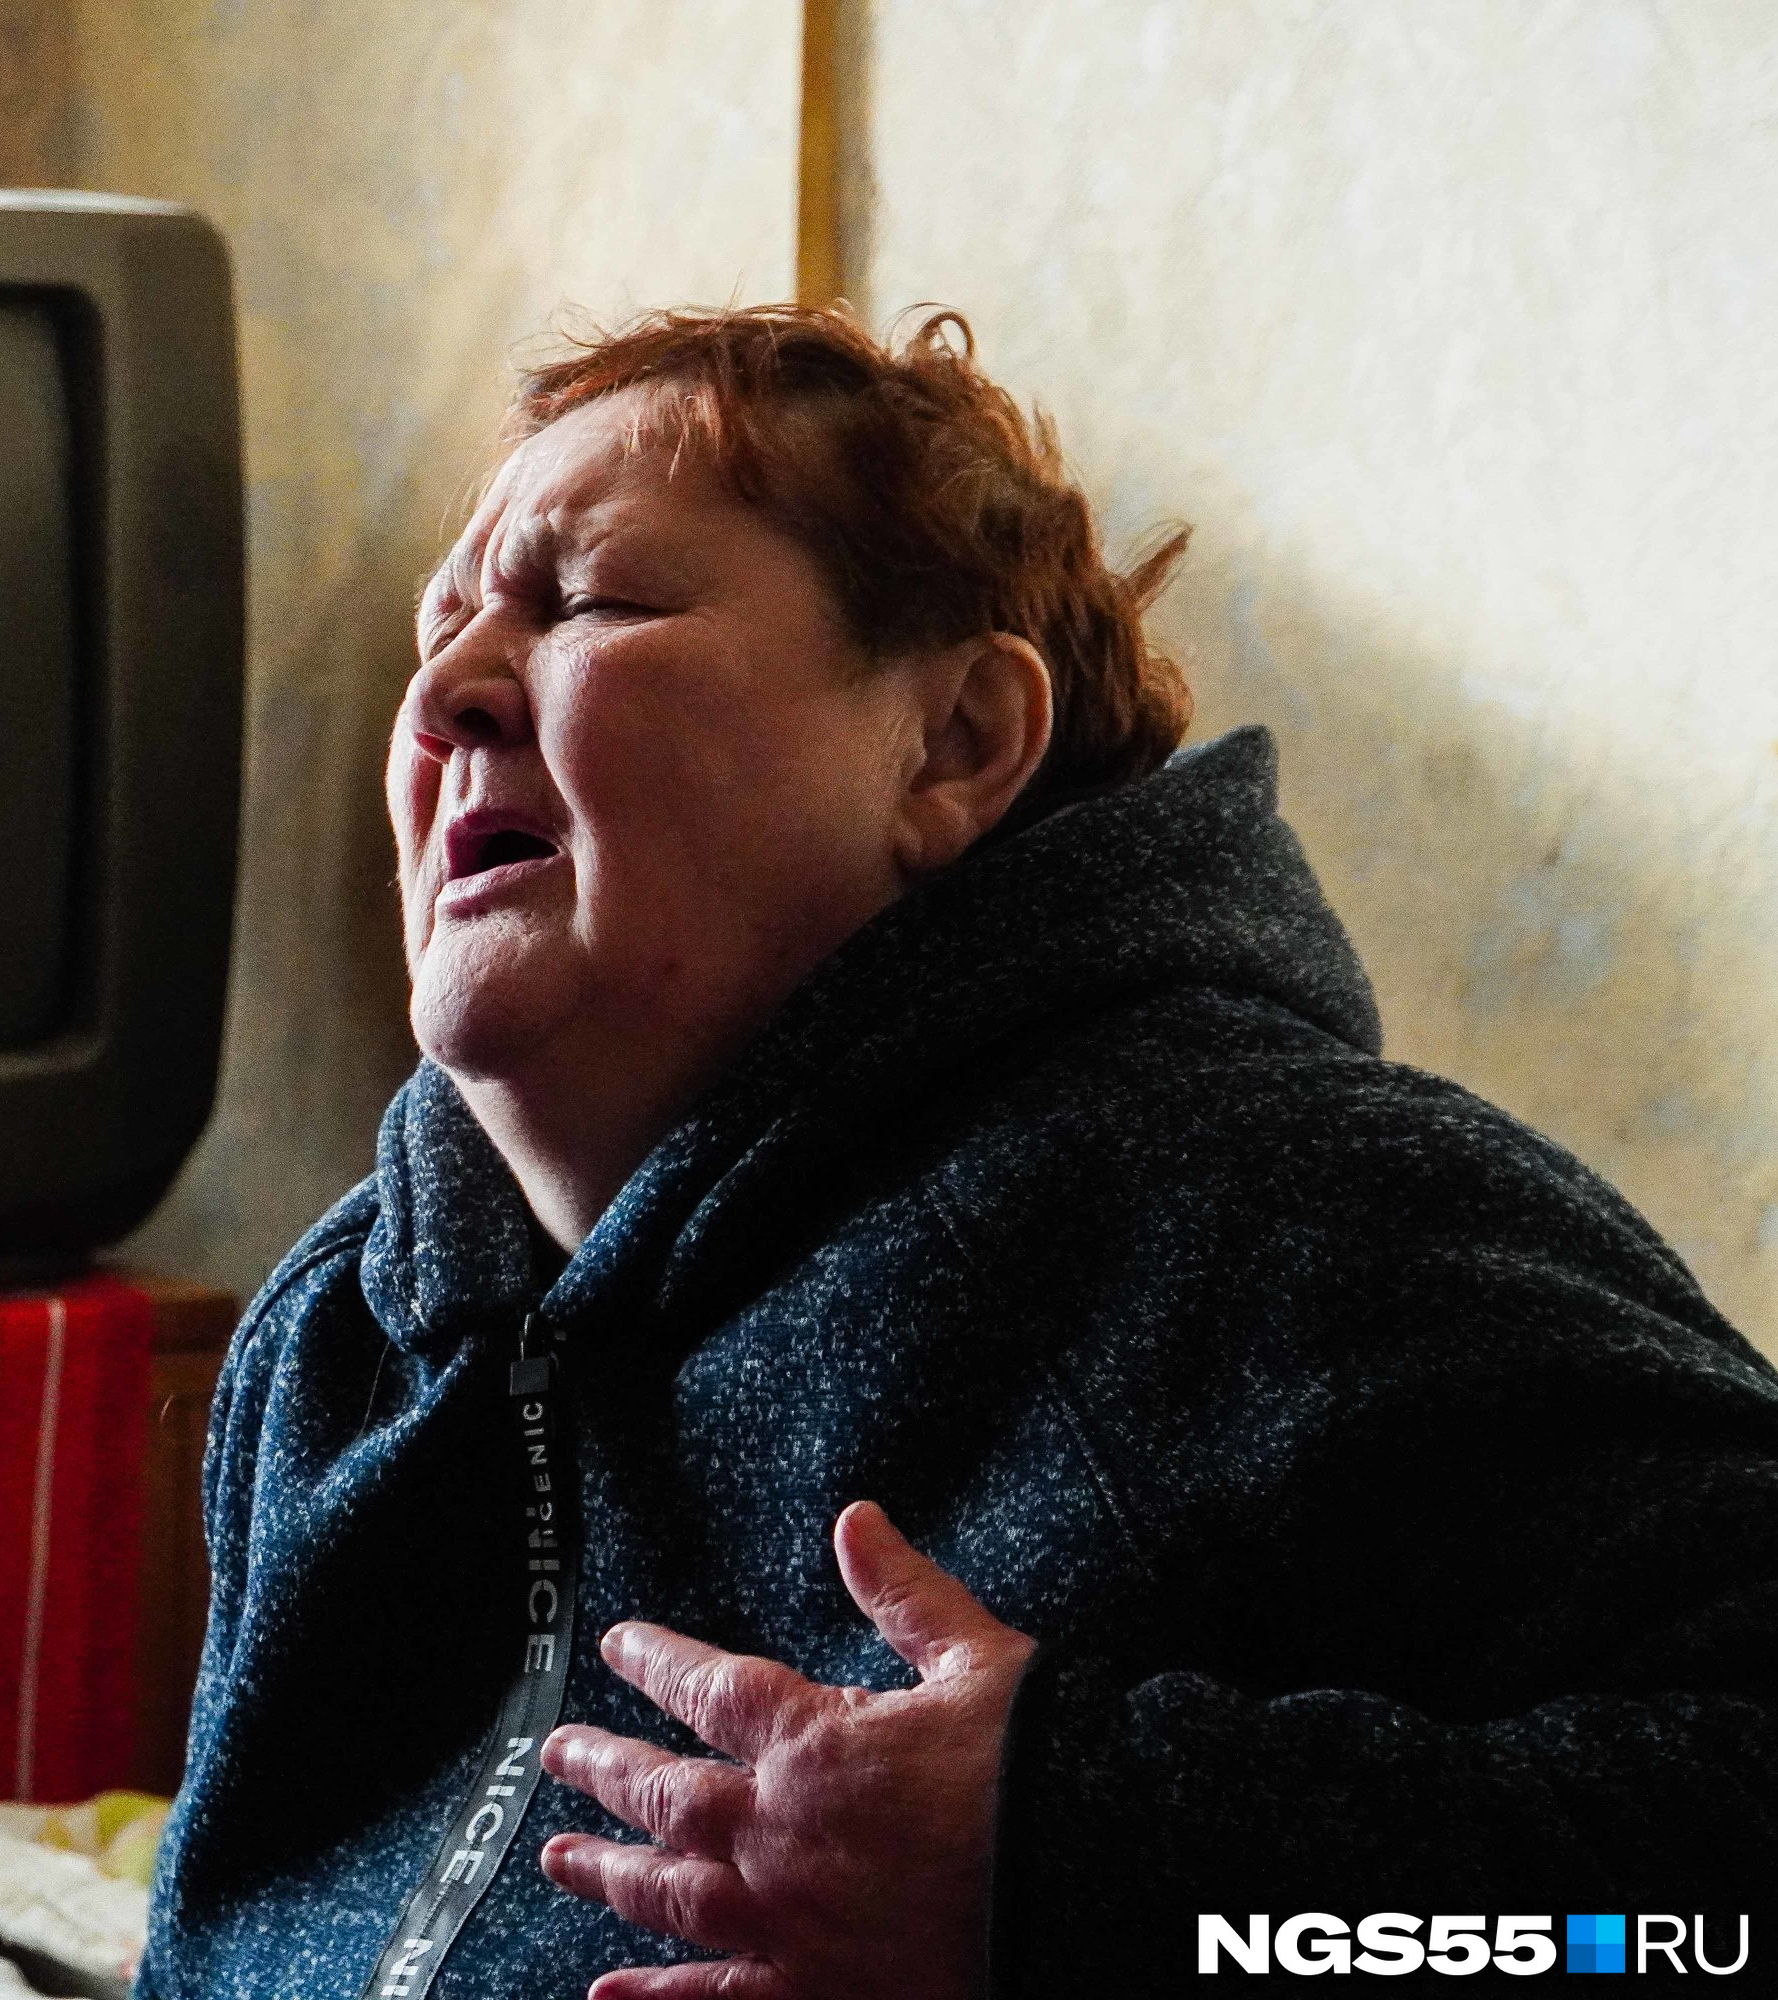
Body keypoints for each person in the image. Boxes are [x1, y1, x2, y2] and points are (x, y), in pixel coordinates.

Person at [137, 304, 1778, 1997]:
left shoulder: (1271, 1204)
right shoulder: (333, 1342)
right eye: (443, 629)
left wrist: (1091, 1874)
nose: (447, 693)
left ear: (958, 744)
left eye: (595, 601)